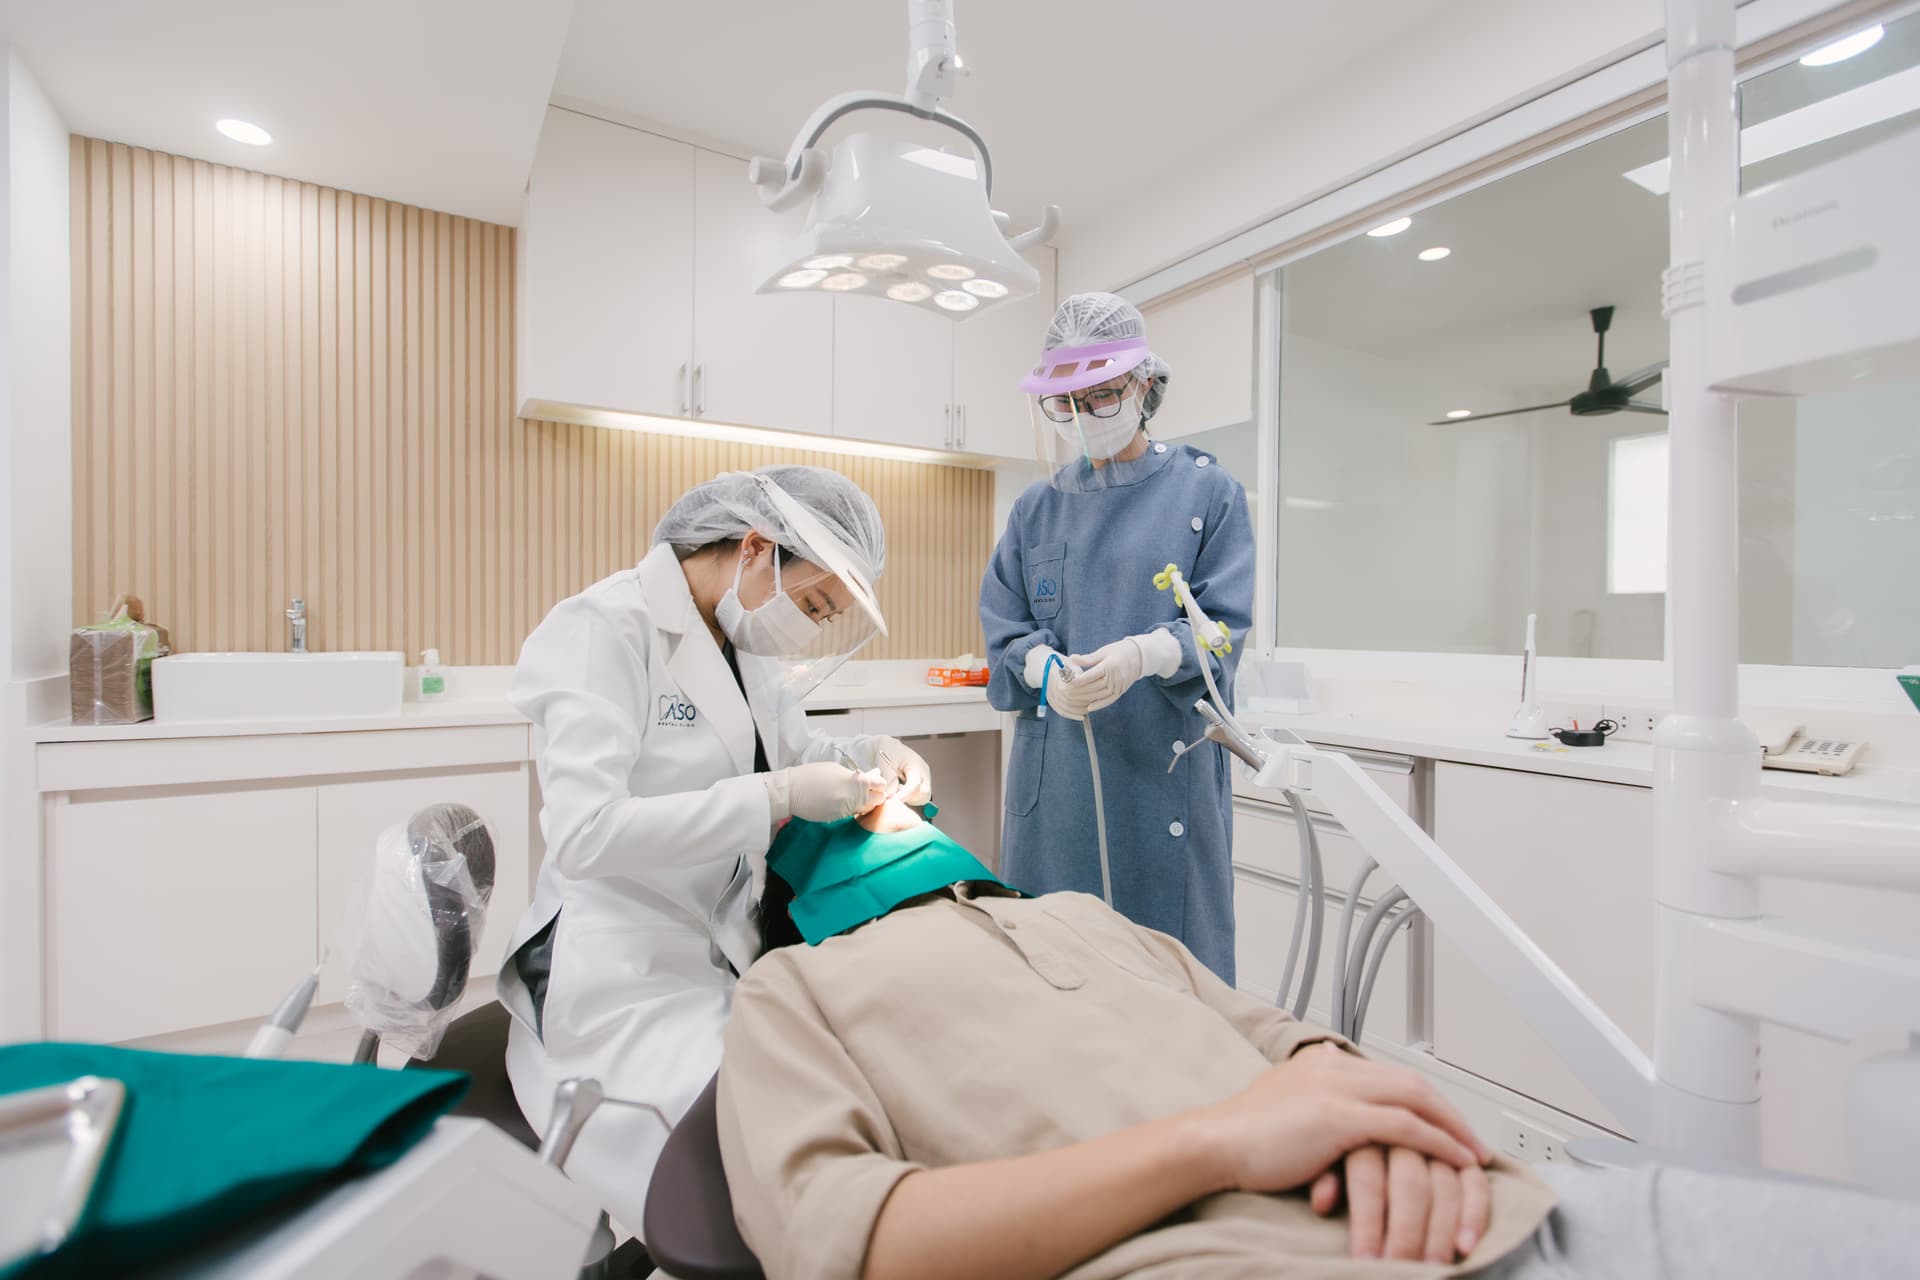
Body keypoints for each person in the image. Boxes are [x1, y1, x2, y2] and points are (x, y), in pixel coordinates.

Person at [718, 806, 1920, 1280]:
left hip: (1525, 1211)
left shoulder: (1075, 912)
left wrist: (1373, 1118)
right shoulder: (792, 987)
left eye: (893, 803)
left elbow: (1302, 1046)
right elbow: (851, 1242)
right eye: (856, 814)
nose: (887, 821)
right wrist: (1220, 1143)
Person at [494, 465, 932, 1236]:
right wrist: (779, 799)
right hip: (618, 973)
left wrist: (872, 751)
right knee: (771, 1152)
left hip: (722, 952)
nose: (811, 625)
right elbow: (586, 832)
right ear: (757, 549)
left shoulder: (745, 642)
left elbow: (789, 751)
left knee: (848, 1100)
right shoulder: (605, 628)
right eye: (815, 604)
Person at [980, 291, 1255, 982]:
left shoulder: (1207, 492)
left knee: (1171, 981)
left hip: (1161, 777)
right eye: (1065, 403)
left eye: (1102, 396)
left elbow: (1221, 630)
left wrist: (1148, 653)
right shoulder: (1036, 510)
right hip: (1058, 777)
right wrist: (1043, 669)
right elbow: (1005, 628)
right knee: (1054, 974)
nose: (1082, 418)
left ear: (1145, 385)